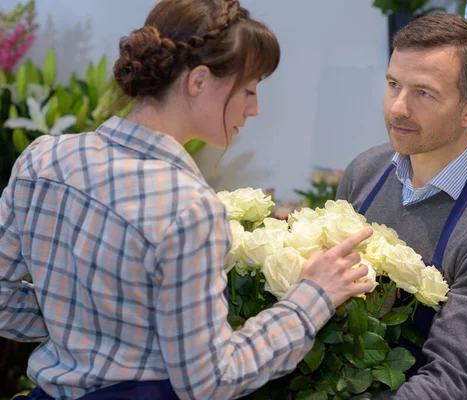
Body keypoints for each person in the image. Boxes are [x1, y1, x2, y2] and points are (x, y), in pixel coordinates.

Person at [0, 0, 374, 399]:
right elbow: (211, 381)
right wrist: (312, 297)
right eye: (248, 89)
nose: (255, 108)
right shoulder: (188, 207)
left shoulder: (43, 159)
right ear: (197, 81)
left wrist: (77, 322)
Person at [336, 14, 467, 400]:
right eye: (393, 84)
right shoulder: (365, 172)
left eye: (424, 93)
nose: (398, 107)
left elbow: (450, 382)